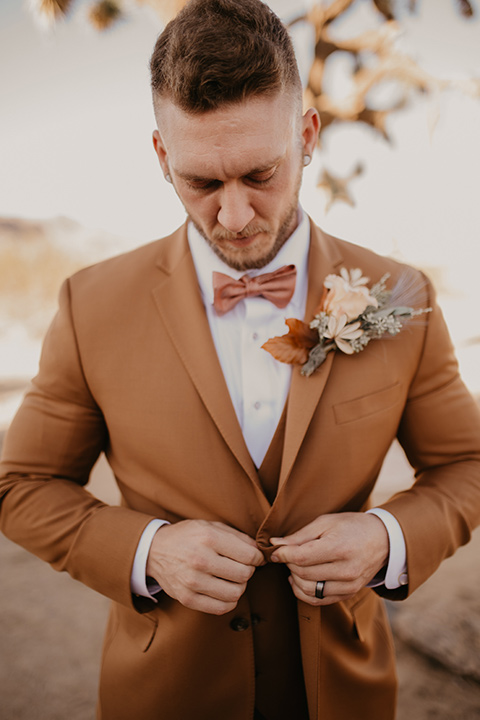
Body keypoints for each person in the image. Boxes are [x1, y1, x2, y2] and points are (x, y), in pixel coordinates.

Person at [1, 0, 480, 718]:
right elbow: (21, 486)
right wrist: (146, 551)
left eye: (261, 174)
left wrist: (387, 537)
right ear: (163, 157)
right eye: (201, 182)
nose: (234, 217)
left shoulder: (403, 296)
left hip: (343, 694)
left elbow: (465, 466)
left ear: (308, 134)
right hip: (165, 695)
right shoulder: (89, 305)